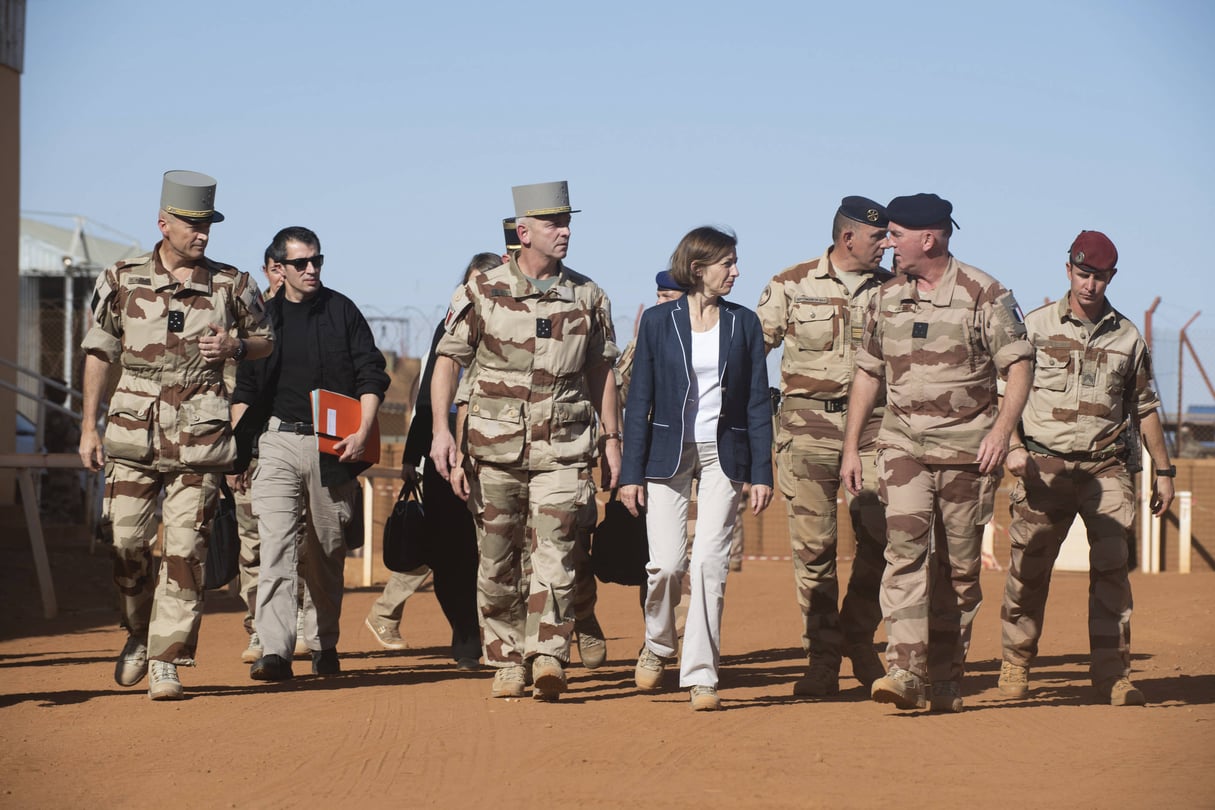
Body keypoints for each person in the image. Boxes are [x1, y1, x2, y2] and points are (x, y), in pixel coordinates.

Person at [78, 170, 273, 700]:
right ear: (162, 223)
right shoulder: (120, 278)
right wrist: (87, 428)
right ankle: (139, 632)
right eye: (191, 224)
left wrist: (233, 347)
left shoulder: (232, 283)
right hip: (131, 430)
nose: (202, 233)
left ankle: (168, 659)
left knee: (186, 551)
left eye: (207, 224)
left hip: (200, 432)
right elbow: (99, 352)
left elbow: (264, 342)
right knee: (127, 545)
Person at [841, 193, 1032, 713]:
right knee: (904, 550)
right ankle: (904, 669)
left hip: (969, 450)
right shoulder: (885, 297)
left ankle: (946, 674)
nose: (887, 243)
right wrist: (852, 448)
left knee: (958, 572)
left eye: (896, 234)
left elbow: (1018, 365)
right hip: (902, 443)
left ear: (929, 238)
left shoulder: (984, 294)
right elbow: (866, 371)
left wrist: (1002, 432)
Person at [430, 181, 621, 701]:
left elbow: (602, 369)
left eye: (567, 224)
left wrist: (611, 437)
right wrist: (442, 431)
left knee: (555, 550)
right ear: (523, 231)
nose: (565, 233)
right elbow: (448, 360)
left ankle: (548, 655)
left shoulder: (587, 295)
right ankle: (507, 657)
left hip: (564, 445)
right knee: (497, 559)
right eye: (554, 224)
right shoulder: (481, 291)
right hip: (493, 450)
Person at [998, 230, 1174, 706]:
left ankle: (1112, 674)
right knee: (1028, 570)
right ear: (1068, 269)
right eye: (1082, 274)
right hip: (1043, 468)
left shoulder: (1128, 336)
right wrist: (1012, 446)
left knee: (1113, 572)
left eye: (1099, 277)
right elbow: (1003, 397)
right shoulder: (1034, 327)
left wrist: (1164, 470)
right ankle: (1016, 661)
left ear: (1111, 277)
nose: (1089, 285)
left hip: (1107, 468)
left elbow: (1145, 405)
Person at [620, 226, 774, 711]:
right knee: (666, 564)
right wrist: (629, 474)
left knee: (708, 564)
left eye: (734, 262)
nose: (736, 271)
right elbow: (639, 400)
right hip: (666, 453)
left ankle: (702, 674)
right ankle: (659, 643)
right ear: (698, 268)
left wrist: (762, 472)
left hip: (723, 455)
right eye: (727, 263)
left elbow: (755, 402)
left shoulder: (744, 323)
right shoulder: (659, 322)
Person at [231, 226, 389, 681]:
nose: (312, 269)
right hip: (277, 442)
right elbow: (244, 390)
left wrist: (362, 430)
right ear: (278, 268)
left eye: (317, 260)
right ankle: (275, 651)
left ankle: (323, 642)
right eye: (301, 263)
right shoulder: (264, 320)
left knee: (326, 551)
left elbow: (371, 375)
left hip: (333, 446)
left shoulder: (342, 311)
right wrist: (240, 456)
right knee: (276, 546)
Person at [757, 196, 894, 698]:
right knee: (814, 549)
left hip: (879, 429)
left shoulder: (897, 290)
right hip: (806, 428)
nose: (888, 244)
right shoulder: (790, 284)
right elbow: (752, 350)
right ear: (847, 238)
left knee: (886, 536)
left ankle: (858, 636)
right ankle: (822, 657)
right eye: (879, 237)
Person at [364, 252, 501, 670]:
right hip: (446, 456)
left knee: (496, 551)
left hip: (499, 451)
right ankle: (466, 639)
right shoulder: (451, 325)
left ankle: (503, 638)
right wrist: (413, 454)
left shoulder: (514, 324)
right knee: (449, 553)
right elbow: (427, 399)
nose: (482, 289)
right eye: (475, 281)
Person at [230, 253, 315, 664]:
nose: (284, 276)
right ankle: (258, 629)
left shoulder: (304, 318)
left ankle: (295, 619)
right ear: (268, 271)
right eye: (277, 269)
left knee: (295, 538)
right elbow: (237, 391)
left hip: (290, 444)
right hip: (250, 445)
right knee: (253, 543)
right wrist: (238, 455)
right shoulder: (247, 320)